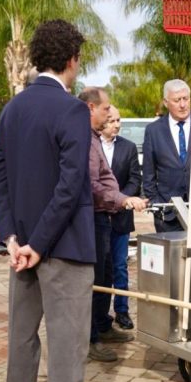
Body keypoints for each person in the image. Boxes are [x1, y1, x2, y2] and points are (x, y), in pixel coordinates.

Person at [0, 18, 120, 382]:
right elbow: (70, 186)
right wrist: (39, 244)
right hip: (59, 246)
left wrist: (11, 236)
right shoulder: (70, 111)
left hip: (21, 245)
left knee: (23, 333)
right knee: (66, 340)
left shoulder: (12, 109)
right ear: (71, 60)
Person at [77, 88, 146, 362]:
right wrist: (123, 199)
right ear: (92, 108)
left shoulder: (94, 139)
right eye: (107, 110)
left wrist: (124, 198)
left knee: (105, 277)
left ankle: (103, 326)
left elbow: (105, 178)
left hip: (104, 217)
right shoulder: (81, 139)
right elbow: (92, 184)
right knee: (94, 281)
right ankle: (91, 339)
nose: (111, 116)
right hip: (89, 219)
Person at [142, 79, 191, 232]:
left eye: (186, 99)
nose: (183, 105)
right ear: (165, 102)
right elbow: (148, 174)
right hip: (168, 214)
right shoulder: (153, 130)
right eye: (177, 100)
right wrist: (157, 203)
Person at [102, 106, 142, 331]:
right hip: (98, 217)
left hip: (121, 217)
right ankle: (101, 313)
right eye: (111, 120)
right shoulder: (92, 145)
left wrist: (123, 200)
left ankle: (122, 311)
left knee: (120, 266)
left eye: (119, 120)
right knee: (102, 267)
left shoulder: (128, 148)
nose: (116, 124)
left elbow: (136, 179)